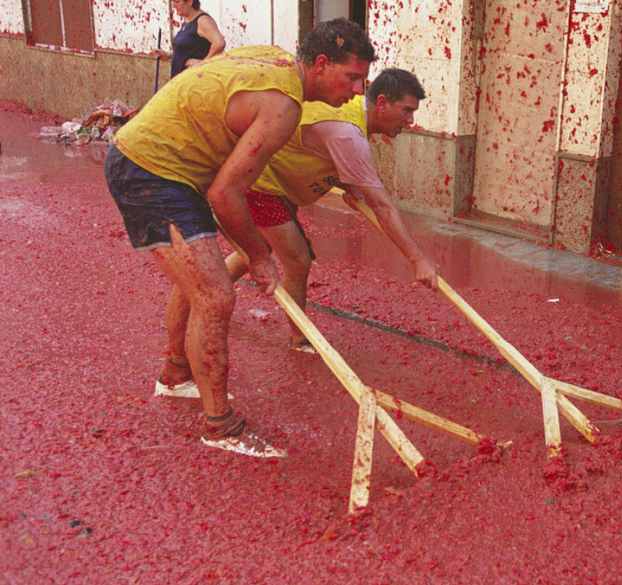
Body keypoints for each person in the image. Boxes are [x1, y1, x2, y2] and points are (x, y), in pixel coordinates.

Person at [105, 19, 377, 458]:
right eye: (351, 78)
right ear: (322, 65)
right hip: (151, 169)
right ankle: (221, 428)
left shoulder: (276, 60)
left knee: (201, 279)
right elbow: (226, 193)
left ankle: (176, 375)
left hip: (166, 167)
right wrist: (258, 255)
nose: (356, 90)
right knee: (215, 295)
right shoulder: (284, 106)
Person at [219, 68, 439, 352]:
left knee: (256, 248)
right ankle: (299, 338)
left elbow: (321, 148)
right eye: (407, 110)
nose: (410, 121)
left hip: (281, 180)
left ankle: (206, 293)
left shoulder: (352, 114)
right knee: (297, 261)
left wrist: (348, 183)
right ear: (382, 103)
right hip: (263, 184)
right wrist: (418, 259)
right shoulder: (347, 133)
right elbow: (382, 206)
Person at [167, 0, 225, 78]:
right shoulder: (188, 20)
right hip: (182, 80)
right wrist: (167, 54)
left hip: (195, 80)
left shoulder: (202, 20)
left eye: (177, 2)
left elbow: (219, 43)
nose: (173, 5)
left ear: (190, 2)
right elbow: (187, 49)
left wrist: (203, 62)